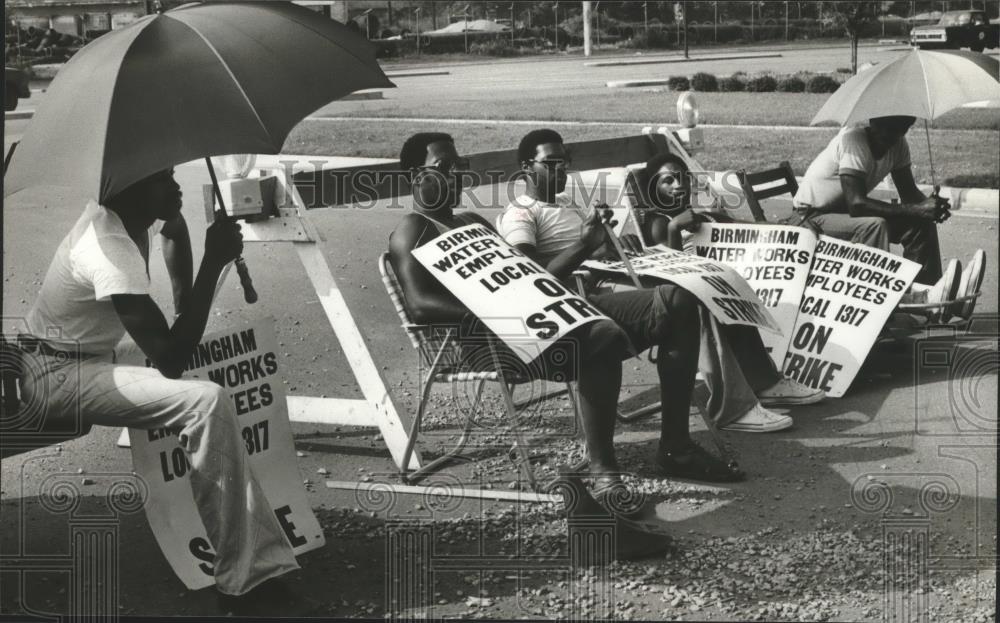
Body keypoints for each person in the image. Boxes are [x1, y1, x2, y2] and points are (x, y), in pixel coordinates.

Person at [389, 132, 740, 486]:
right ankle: (602, 468)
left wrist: (587, 245)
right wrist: (493, 310)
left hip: (550, 310)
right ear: (414, 176)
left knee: (679, 301)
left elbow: (530, 276)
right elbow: (419, 305)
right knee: (600, 334)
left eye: (459, 166)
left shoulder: (472, 222)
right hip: (499, 337)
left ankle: (676, 448)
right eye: (444, 167)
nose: (456, 175)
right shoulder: (413, 228)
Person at [16, 169, 300, 603]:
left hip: (82, 355)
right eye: (163, 180)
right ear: (130, 189)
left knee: (203, 364)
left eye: (171, 175)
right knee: (205, 402)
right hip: (53, 375)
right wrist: (213, 264)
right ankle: (247, 575)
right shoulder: (108, 247)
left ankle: (235, 533)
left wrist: (185, 299)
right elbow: (170, 359)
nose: (176, 187)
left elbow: (174, 228)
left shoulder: (129, 213)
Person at [500, 129, 810, 481]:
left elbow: (587, 248)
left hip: (605, 275)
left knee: (708, 281)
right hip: (579, 299)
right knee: (687, 298)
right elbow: (528, 278)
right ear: (527, 167)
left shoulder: (566, 204)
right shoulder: (519, 214)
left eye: (564, 162)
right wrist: (588, 246)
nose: (560, 171)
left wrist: (613, 242)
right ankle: (733, 405)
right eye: (550, 164)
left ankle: (760, 381)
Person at [619, 151, 826, 430]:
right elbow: (669, 271)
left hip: (714, 281)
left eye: (682, 179)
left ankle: (765, 382)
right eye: (668, 181)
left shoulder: (698, 214)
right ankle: (735, 406)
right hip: (684, 293)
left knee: (735, 297)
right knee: (715, 307)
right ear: (653, 189)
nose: (678, 185)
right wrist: (673, 228)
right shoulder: (659, 222)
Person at [792, 115, 984, 313]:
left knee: (920, 223)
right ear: (872, 122)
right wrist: (917, 209)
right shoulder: (853, 140)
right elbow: (856, 204)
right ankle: (881, 306)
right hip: (811, 218)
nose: (888, 134)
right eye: (883, 127)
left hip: (843, 214)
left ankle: (930, 299)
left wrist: (930, 206)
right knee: (874, 225)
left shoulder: (898, 145)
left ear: (905, 128)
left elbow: (908, 193)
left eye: (897, 129)